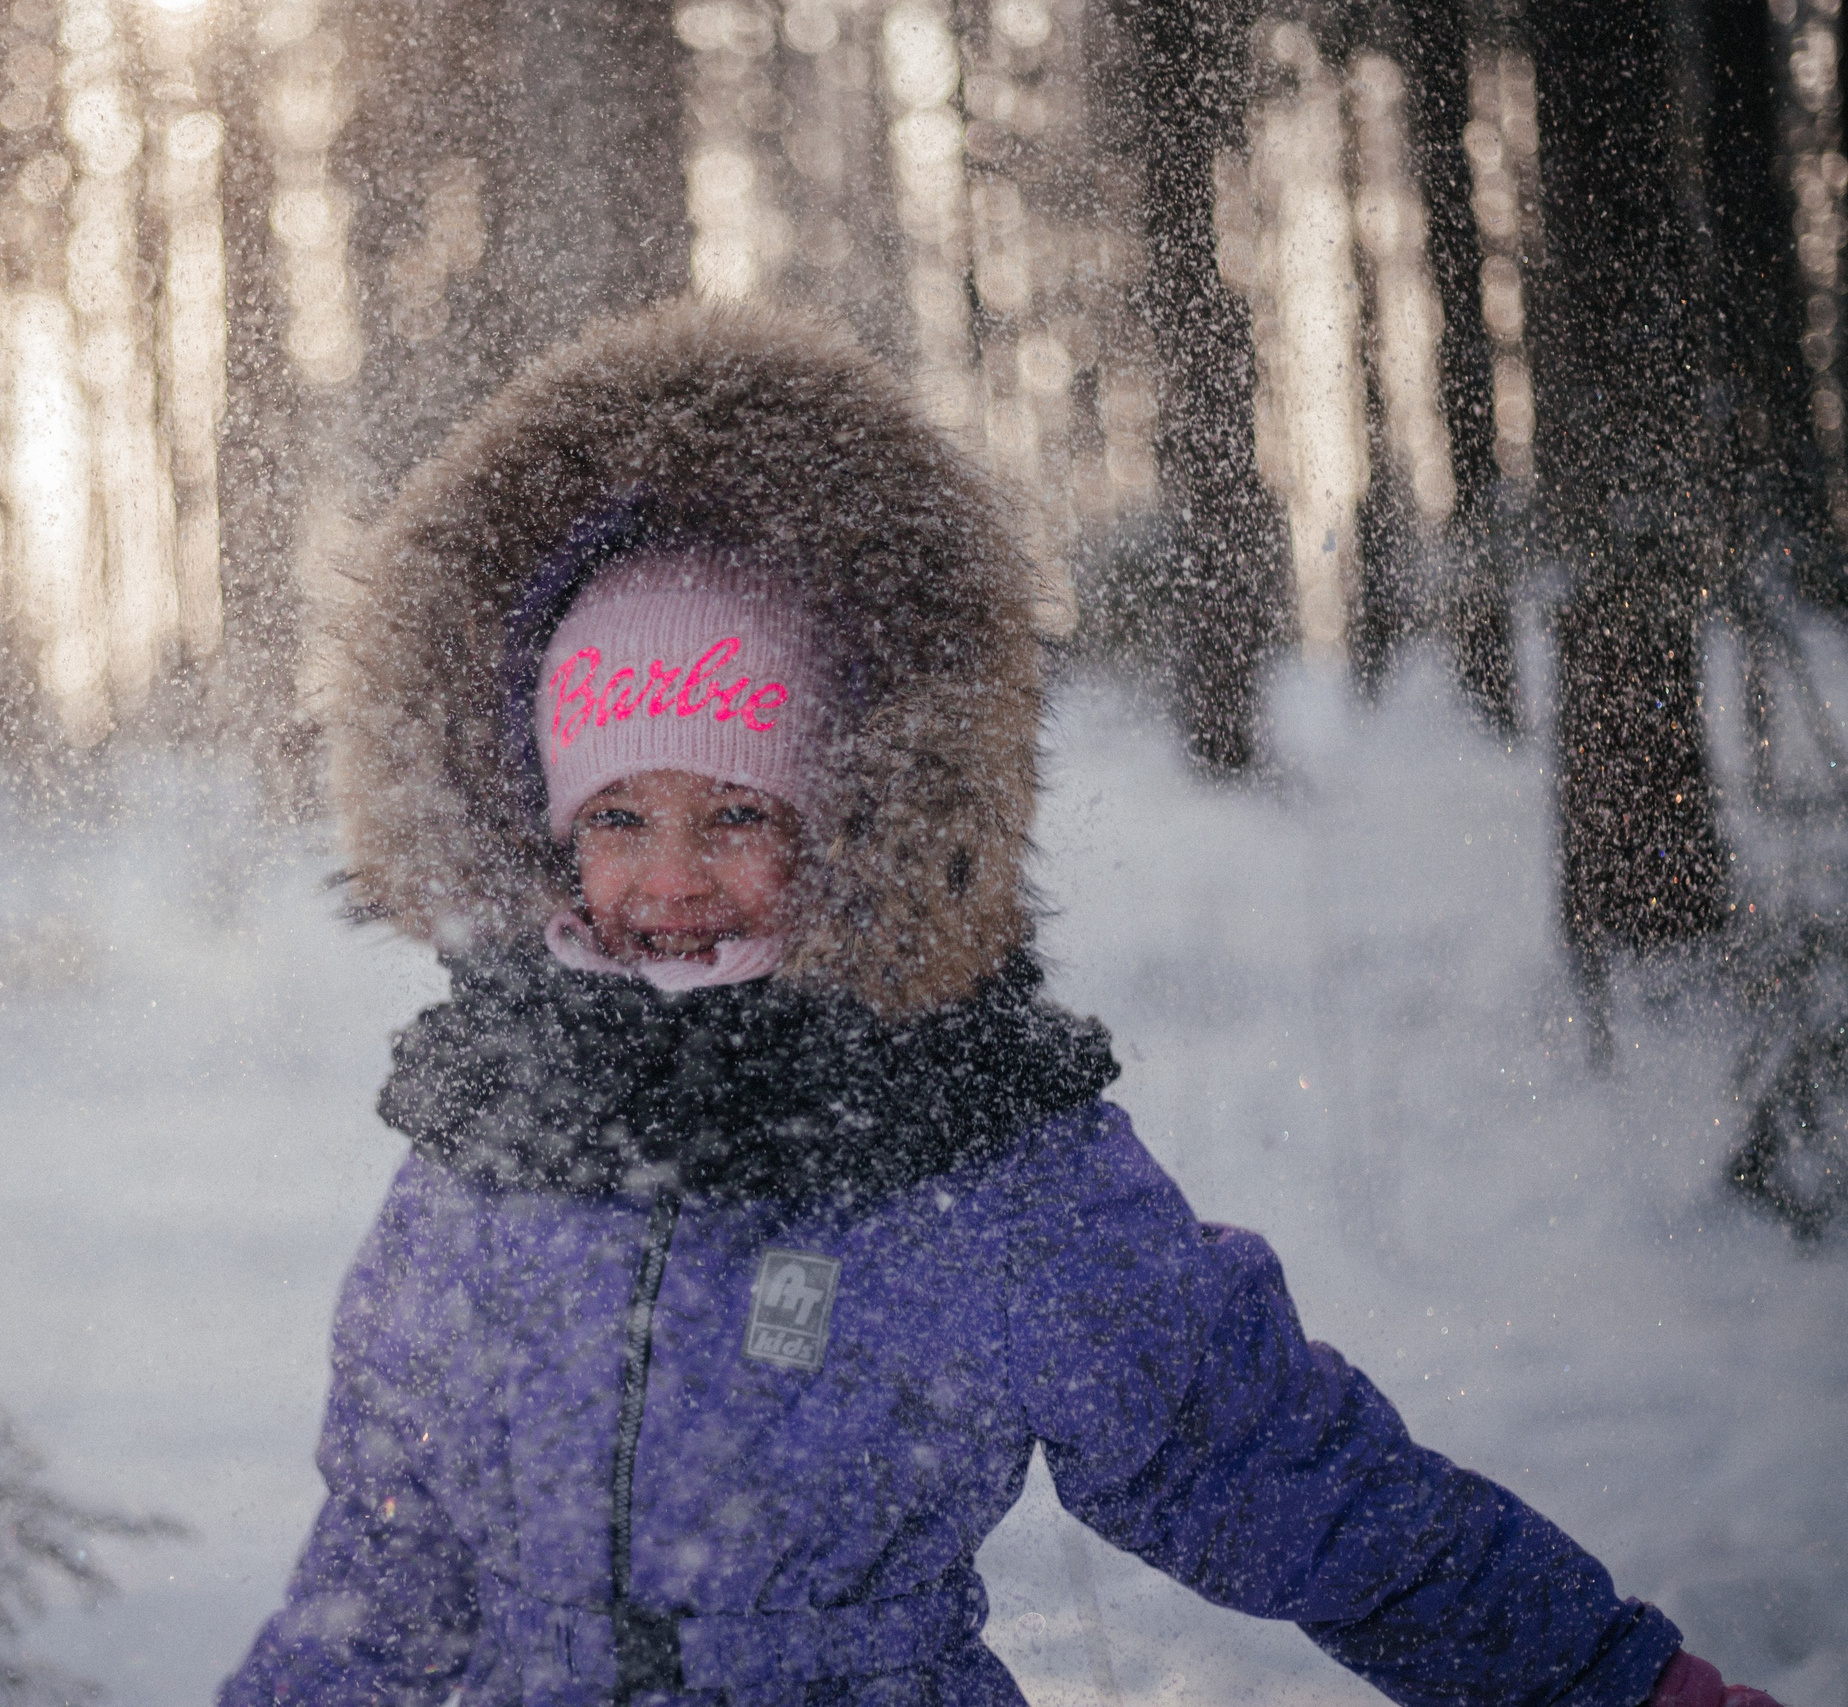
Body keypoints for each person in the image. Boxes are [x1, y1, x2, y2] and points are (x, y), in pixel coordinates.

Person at [217, 303, 1784, 1707]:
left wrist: (1608, 1682)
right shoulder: (494, 1141)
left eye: (736, 815)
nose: (671, 875)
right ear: (547, 825)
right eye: (619, 817)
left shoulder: (961, 1146)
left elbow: (1256, 1458)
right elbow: (385, 1561)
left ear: (844, 812)